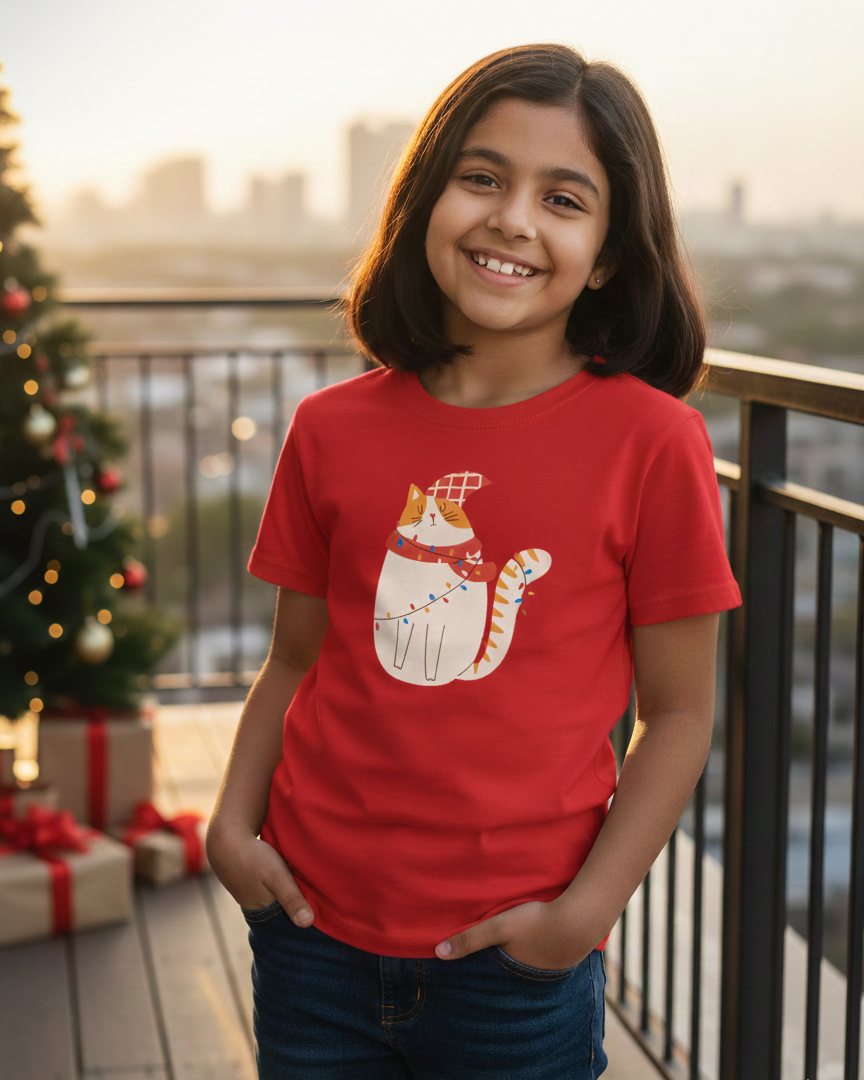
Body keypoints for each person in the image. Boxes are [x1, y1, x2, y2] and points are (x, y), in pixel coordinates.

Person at [206, 43, 742, 1080]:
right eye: (483, 177)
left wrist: (582, 916)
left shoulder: (654, 444)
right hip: (310, 933)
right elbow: (295, 662)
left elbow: (680, 714)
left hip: (517, 966)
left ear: (613, 252)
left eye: (565, 197)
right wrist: (231, 830)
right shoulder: (328, 429)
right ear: (425, 199)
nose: (513, 219)